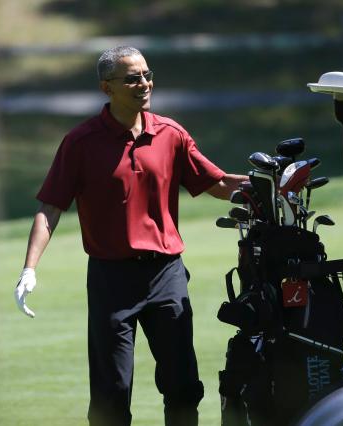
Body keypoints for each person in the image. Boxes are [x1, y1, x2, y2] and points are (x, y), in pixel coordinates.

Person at [13, 46, 248, 426]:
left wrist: (270, 186)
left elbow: (217, 182)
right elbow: (50, 207)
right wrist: (29, 268)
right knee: (112, 393)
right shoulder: (81, 142)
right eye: (133, 78)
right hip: (112, 280)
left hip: (167, 275)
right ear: (107, 87)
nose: (144, 83)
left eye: (147, 74)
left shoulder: (169, 133)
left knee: (183, 385)